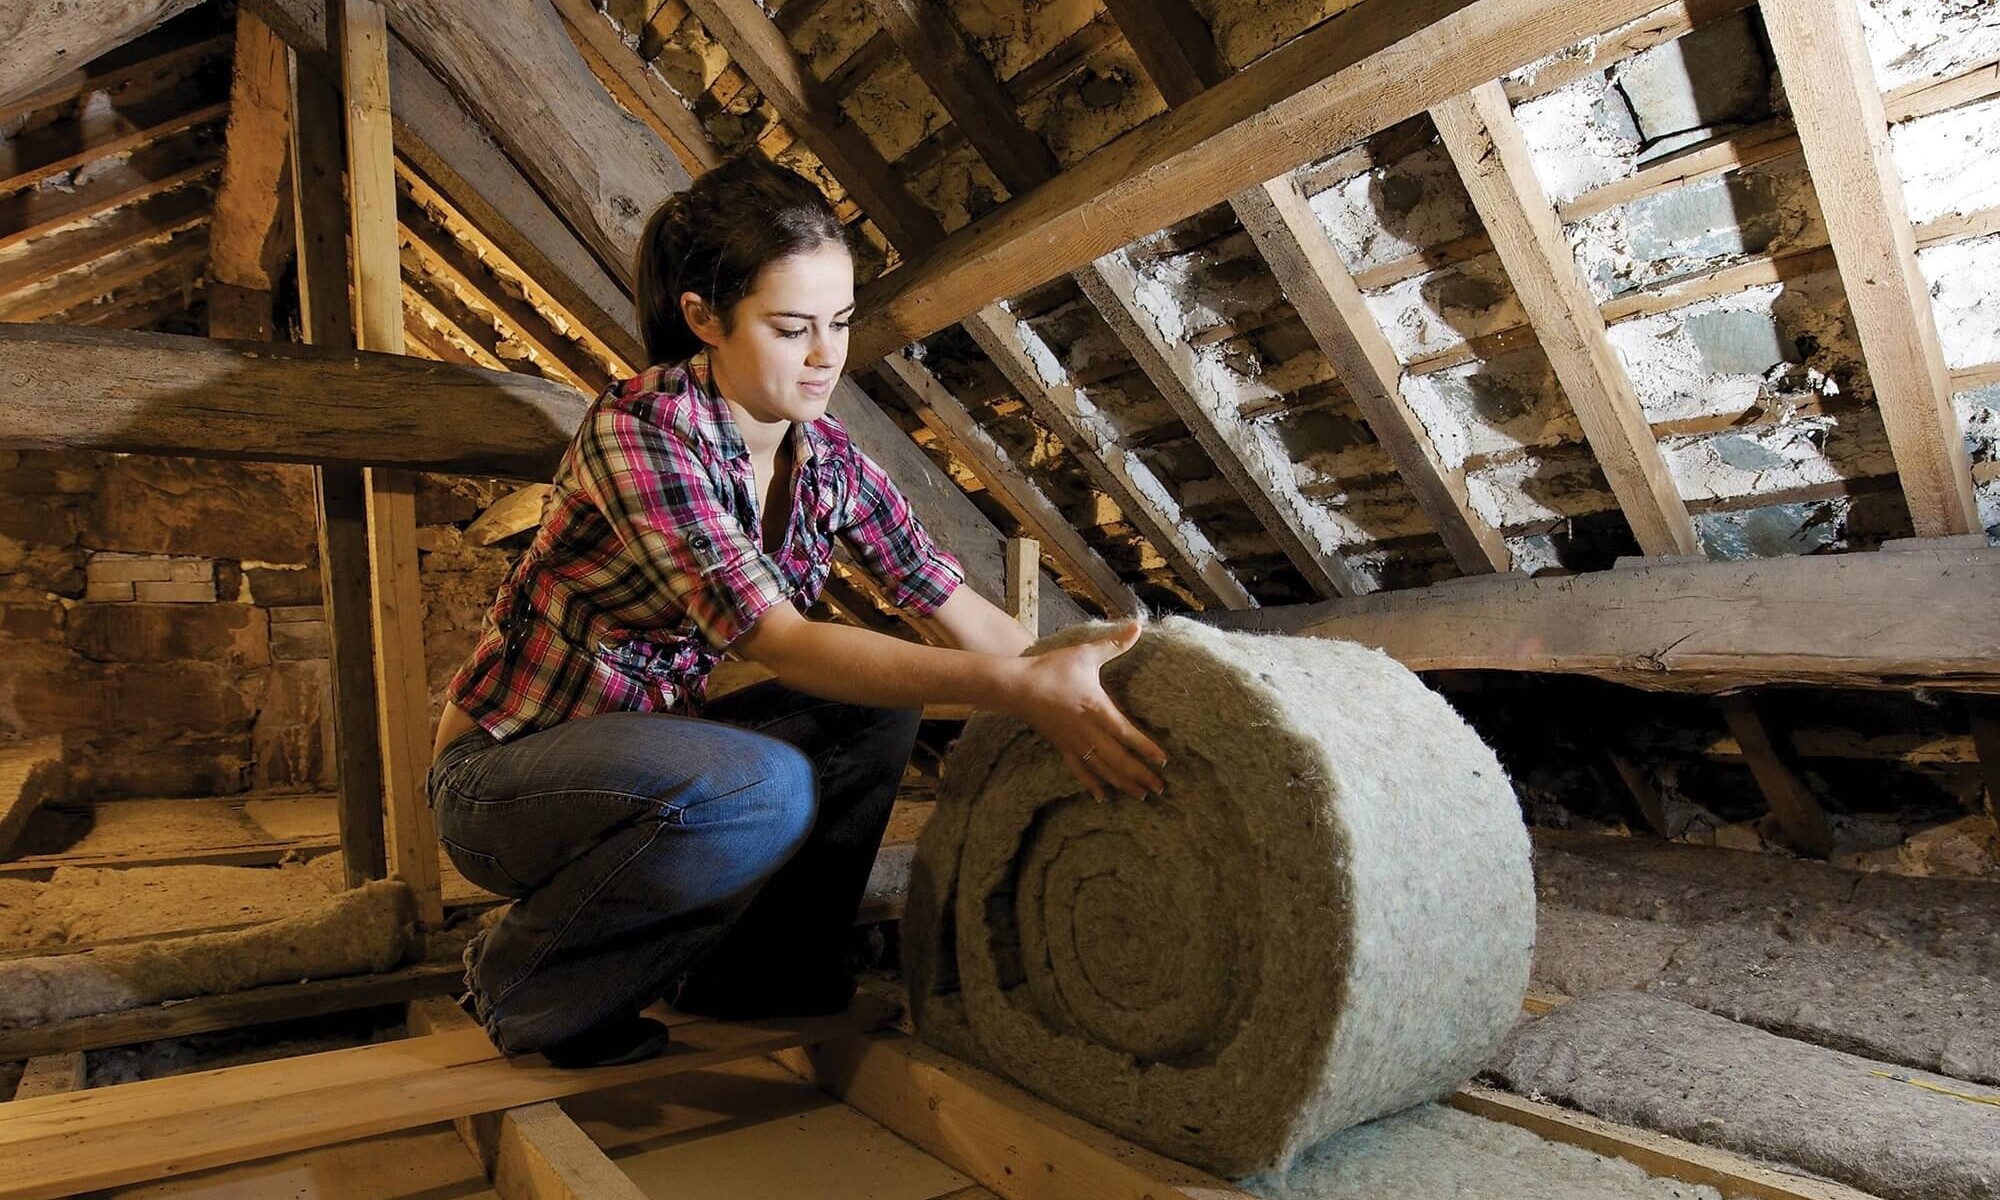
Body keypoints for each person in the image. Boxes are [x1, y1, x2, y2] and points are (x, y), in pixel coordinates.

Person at [426, 152, 1169, 1069]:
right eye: (791, 329)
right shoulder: (640, 435)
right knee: (760, 791)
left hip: (648, 765)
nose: (827, 357)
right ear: (704, 318)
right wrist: (1014, 692)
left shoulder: (826, 457)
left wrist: (1092, 691)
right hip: (503, 781)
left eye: (840, 323)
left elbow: (948, 602)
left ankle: (762, 975)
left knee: (876, 709)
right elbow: (782, 643)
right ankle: (520, 982)